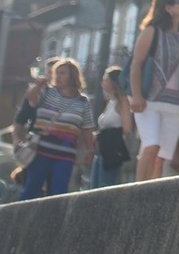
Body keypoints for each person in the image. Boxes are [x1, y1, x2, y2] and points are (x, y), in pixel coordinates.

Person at [129, 0, 179, 181]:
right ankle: (138, 188)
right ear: (168, 8)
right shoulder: (152, 31)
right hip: (149, 100)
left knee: (163, 155)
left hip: (174, 103)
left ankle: (153, 191)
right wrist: (137, 95)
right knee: (152, 144)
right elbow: (136, 64)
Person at [20, 58, 95, 200]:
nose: (58, 76)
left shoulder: (83, 102)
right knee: (31, 189)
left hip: (65, 155)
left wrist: (89, 150)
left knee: (58, 193)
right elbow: (31, 100)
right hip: (41, 151)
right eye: (57, 73)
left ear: (72, 76)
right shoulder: (47, 92)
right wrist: (37, 85)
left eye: (62, 73)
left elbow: (87, 128)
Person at [92, 67, 133, 188]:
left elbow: (127, 128)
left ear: (114, 82)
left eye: (105, 79)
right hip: (101, 149)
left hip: (112, 149)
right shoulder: (110, 102)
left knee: (104, 185)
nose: (102, 82)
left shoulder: (123, 102)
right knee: (94, 186)